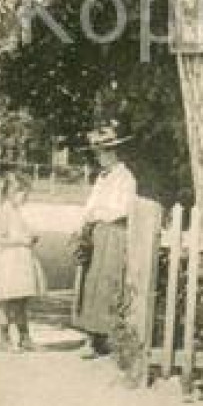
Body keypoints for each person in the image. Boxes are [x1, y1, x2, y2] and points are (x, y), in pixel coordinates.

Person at [69, 124, 138, 358]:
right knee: (91, 283)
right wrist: (86, 221)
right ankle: (90, 336)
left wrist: (99, 213)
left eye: (105, 152)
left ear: (115, 152)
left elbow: (122, 209)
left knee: (108, 282)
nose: (101, 157)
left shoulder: (125, 177)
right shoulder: (102, 177)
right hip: (98, 233)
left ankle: (105, 337)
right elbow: (91, 204)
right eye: (98, 152)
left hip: (114, 233)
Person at [0, 172, 47, 352]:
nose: (26, 198)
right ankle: (4, 339)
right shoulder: (4, 211)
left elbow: (20, 231)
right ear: (11, 192)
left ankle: (24, 337)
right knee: (5, 299)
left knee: (21, 300)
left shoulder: (16, 212)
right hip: (8, 262)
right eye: (23, 194)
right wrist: (22, 241)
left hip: (20, 262)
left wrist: (30, 237)